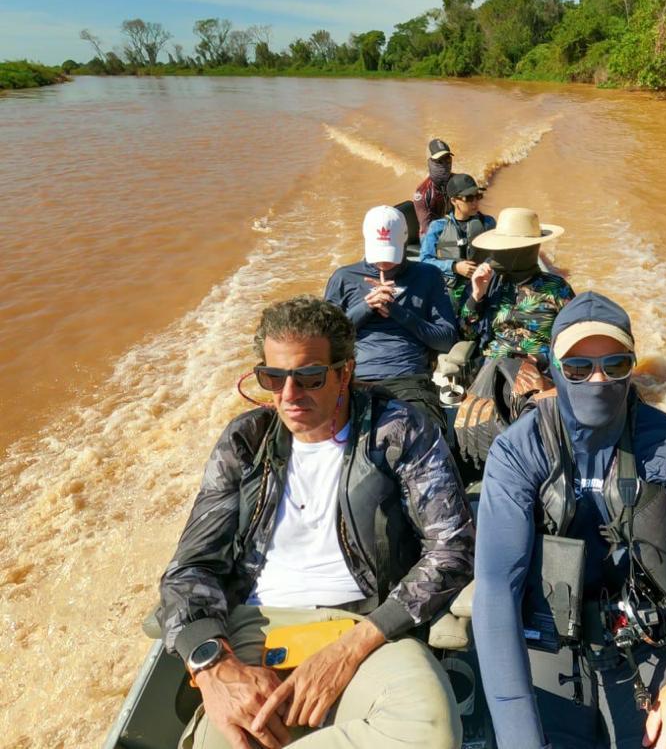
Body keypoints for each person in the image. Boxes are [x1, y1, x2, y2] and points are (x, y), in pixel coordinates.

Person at [158, 295, 474, 749]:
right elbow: (190, 568)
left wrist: (353, 647)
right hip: (254, 629)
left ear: (345, 372)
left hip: (367, 628)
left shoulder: (398, 431)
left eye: (308, 377)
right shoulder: (246, 441)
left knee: (430, 732)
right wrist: (213, 668)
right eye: (273, 377)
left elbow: (453, 547)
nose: (288, 396)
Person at [472, 291, 666, 749]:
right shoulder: (520, 451)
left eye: (615, 365)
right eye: (578, 368)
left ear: (632, 368)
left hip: (645, 633)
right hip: (549, 636)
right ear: (554, 369)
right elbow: (496, 587)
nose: (597, 380)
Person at [324, 205, 457, 428]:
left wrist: (399, 312)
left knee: (421, 435)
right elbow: (324, 340)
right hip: (354, 379)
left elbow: (446, 340)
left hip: (409, 380)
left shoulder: (427, 275)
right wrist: (366, 307)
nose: (384, 263)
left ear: (404, 240)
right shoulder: (343, 278)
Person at [459, 207, 575, 363]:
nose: (494, 254)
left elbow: (573, 341)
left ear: (521, 251)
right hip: (495, 366)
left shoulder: (556, 288)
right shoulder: (492, 284)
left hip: (539, 368)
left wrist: (540, 360)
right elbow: (467, 334)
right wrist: (476, 296)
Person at [420, 173, 496, 308]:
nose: (475, 202)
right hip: (450, 290)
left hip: (484, 286)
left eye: (477, 196)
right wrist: (454, 267)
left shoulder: (488, 223)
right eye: (469, 198)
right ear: (454, 201)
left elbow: (499, 254)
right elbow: (425, 260)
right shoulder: (438, 227)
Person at [413, 138, 453, 238]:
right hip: (431, 236)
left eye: (447, 158)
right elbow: (426, 230)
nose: (445, 163)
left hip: (454, 228)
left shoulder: (457, 182)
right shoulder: (423, 193)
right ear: (430, 162)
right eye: (440, 160)